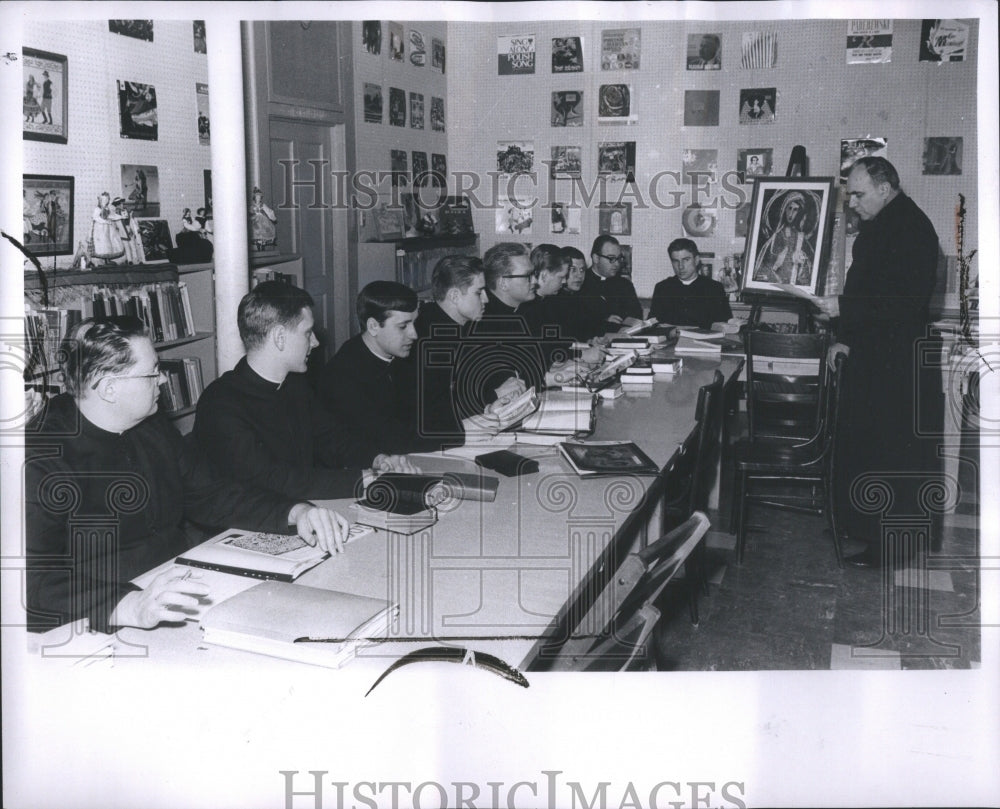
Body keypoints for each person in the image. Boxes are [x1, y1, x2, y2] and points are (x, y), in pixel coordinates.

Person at [25, 317, 349, 633]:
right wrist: (130, 607)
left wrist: (295, 512)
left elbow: (213, 494)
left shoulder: (150, 426)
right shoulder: (39, 459)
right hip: (98, 620)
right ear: (110, 388)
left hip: (176, 587)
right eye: (152, 372)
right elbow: (34, 579)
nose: (163, 380)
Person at [813, 157, 942, 568]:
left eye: (858, 193)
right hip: (872, 356)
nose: (851, 202)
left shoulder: (914, 228)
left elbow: (905, 303)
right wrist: (844, 339)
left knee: (891, 453)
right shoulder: (880, 225)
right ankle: (861, 526)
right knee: (866, 447)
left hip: (898, 362)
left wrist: (843, 308)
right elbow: (864, 285)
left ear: (885, 188)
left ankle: (891, 548)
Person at [193, 282, 412, 502]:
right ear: (279, 337)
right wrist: (365, 479)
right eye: (308, 333)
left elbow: (333, 439)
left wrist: (378, 459)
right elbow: (270, 480)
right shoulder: (220, 404)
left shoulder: (295, 386)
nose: (316, 342)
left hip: (298, 508)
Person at [319, 281, 442, 454]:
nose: (414, 334)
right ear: (373, 326)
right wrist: (458, 432)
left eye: (414, 323)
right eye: (403, 326)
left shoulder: (399, 353)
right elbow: (390, 439)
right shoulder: (342, 375)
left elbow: (431, 407)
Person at [649, 238, 733, 329]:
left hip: (704, 342)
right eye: (675, 261)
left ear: (696, 260)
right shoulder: (662, 288)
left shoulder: (714, 288)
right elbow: (652, 325)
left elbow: (724, 326)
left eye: (686, 260)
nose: (681, 266)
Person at [753, 190, 817, 285]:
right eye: (789, 208)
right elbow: (765, 267)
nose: (791, 214)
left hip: (795, 288)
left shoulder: (801, 238)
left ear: (799, 212)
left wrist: (803, 263)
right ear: (784, 209)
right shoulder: (777, 236)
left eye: (795, 209)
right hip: (778, 286)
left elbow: (809, 271)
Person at [579, 235, 643, 325]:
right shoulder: (580, 283)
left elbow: (637, 315)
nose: (617, 264)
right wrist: (604, 320)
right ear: (596, 258)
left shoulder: (625, 284)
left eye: (619, 258)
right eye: (611, 258)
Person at [91, 191, 125, 264]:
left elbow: (111, 216)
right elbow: (95, 217)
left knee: (110, 242)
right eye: (104, 200)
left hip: (108, 228)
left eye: (107, 199)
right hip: (100, 228)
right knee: (103, 243)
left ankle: (108, 259)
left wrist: (121, 216)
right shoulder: (98, 208)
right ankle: (105, 260)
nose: (106, 201)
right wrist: (105, 221)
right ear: (101, 200)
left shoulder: (107, 208)